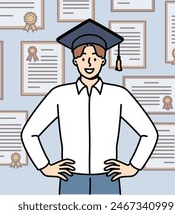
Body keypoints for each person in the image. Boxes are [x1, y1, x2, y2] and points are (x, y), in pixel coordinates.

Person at [21, 19, 158, 195]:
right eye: (83, 58)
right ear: (75, 61)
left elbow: (149, 133)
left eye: (95, 58)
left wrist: (134, 166)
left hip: (107, 177)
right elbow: (29, 133)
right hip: (71, 177)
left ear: (102, 61)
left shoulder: (118, 95)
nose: (89, 63)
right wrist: (45, 166)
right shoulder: (60, 95)